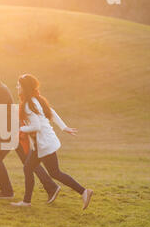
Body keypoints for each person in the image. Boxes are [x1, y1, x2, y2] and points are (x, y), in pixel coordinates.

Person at [11, 74, 93, 210]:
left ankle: (83, 191)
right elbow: (51, 112)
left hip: (43, 143)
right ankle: (83, 192)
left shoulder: (28, 104)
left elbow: (36, 126)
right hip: (45, 142)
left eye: (19, 85)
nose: (17, 87)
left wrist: (21, 128)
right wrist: (63, 127)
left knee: (50, 171)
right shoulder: (36, 99)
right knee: (38, 169)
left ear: (24, 87)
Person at [0, 67, 60, 201]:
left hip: (12, 131)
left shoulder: (2, 90)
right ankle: (51, 187)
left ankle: (6, 191)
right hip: (10, 131)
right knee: (28, 162)